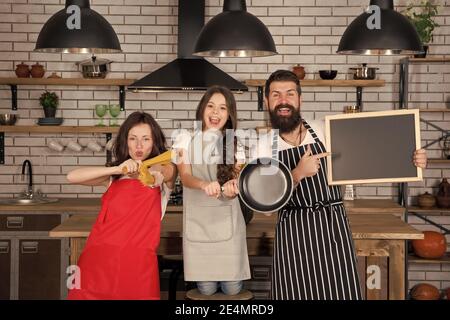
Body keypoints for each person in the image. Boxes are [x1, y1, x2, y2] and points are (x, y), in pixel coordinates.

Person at [254, 70, 428, 300]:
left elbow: (375, 153)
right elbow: (266, 207)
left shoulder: (326, 129)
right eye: (276, 95)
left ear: (300, 99)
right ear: (267, 101)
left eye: (290, 93)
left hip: (332, 228)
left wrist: (411, 159)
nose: (283, 100)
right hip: (292, 235)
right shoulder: (263, 148)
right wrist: (296, 174)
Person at [66, 111, 176, 300]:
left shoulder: (164, 169)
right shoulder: (113, 177)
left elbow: (164, 172)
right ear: (125, 141)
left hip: (137, 266)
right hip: (97, 261)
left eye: (146, 139)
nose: (139, 145)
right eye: (133, 138)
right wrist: (117, 168)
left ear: (154, 142)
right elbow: (72, 176)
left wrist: (150, 173)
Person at [173, 85, 250, 296]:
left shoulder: (235, 144)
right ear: (201, 109)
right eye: (211, 106)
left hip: (228, 225)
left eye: (223, 108)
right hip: (198, 223)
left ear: (229, 114)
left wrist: (232, 188)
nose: (215, 113)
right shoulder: (184, 140)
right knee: (205, 291)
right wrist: (204, 184)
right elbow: (186, 177)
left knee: (232, 289)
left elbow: (236, 180)